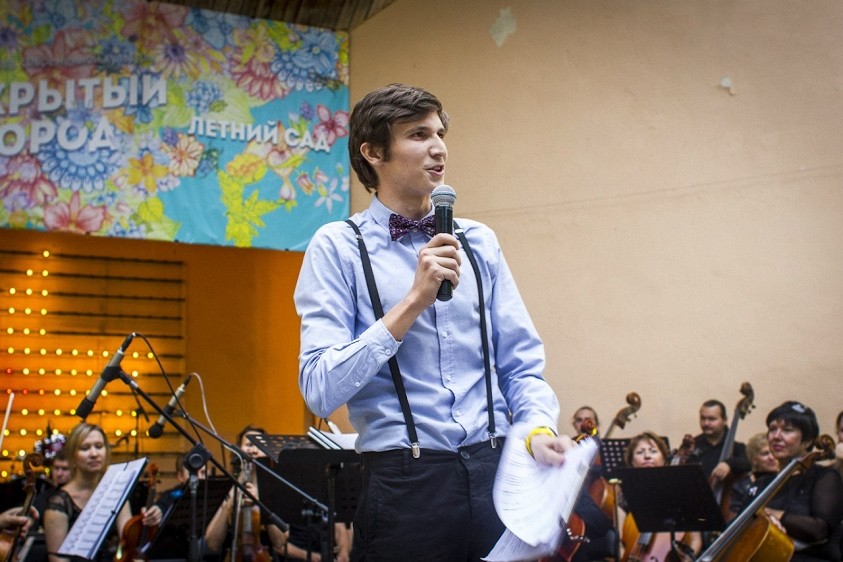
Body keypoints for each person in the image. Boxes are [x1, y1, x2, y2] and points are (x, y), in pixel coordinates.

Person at [295, 83, 572, 561]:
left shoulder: (480, 242)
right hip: (405, 486)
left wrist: (537, 430)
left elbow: (521, 365)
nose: (439, 148)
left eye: (440, 133)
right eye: (419, 135)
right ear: (373, 152)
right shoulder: (337, 246)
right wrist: (412, 302)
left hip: (495, 474)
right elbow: (319, 388)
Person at [43, 422, 162, 562]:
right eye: (85, 448)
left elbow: (129, 544)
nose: (94, 454)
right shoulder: (58, 504)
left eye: (99, 446)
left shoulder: (117, 492)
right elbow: (57, 560)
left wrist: (149, 523)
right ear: (72, 456)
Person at [741, 401, 843, 562]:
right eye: (772, 429)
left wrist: (770, 514)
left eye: (787, 430)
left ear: (807, 441)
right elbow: (737, 526)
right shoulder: (761, 484)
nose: (776, 436)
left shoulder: (823, 477)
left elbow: (820, 530)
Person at [617, 432, 702, 561]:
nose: (647, 456)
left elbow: (696, 540)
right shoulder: (625, 492)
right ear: (631, 461)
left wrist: (687, 560)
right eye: (640, 452)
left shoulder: (679, 492)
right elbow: (618, 538)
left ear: (663, 459)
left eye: (653, 451)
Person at [688, 399, 750, 485]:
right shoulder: (692, 445)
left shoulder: (737, 448)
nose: (706, 423)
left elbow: (749, 463)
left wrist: (729, 463)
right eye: (703, 418)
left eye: (712, 419)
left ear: (725, 420)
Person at [727, 432, 779, 520]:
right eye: (765, 453)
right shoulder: (741, 486)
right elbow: (735, 517)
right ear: (754, 459)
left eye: (774, 452)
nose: (771, 457)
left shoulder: (786, 480)